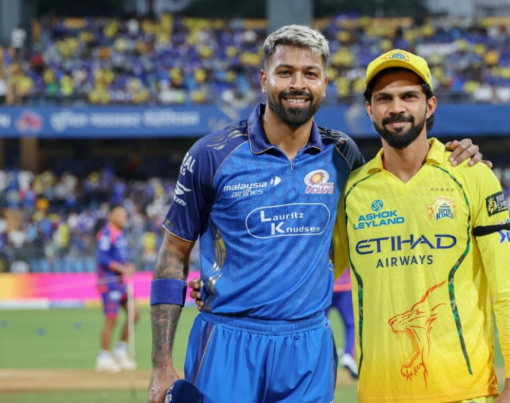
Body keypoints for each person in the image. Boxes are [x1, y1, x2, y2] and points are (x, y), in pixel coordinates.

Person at [148, 26, 487, 403]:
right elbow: (173, 252)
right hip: (227, 340)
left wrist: (458, 159)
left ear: (324, 84)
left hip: (308, 347)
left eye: (310, 73)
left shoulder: (343, 155)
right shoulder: (210, 155)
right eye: (285, 72)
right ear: (264, 79)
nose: (298, 84)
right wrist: (161, 364)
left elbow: (403, 186)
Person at [95, 203, 138, 373]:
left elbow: (120, 257)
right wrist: (122, 269)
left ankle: (120, 352)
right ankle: (103, 358)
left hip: (120, 283)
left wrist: (128, 265)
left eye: (125, 215)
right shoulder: (106, 233)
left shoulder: (120, 234)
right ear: (111, 216)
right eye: (120, 214)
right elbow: (103, 258)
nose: (124, 218)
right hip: (109, 282)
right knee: (111, 319)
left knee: (134, 314)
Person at [326, 261, 358, 379]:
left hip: (326, 285)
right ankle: (347, 355)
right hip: (344, 285)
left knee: (318, 324)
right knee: (350, 324)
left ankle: (320, 359)